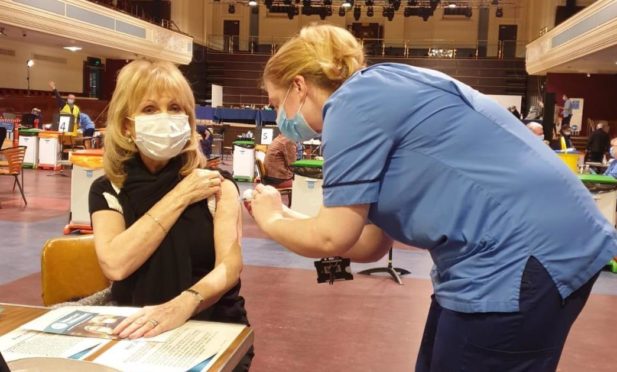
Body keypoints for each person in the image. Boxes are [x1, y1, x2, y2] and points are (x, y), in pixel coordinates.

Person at [249, 24, 617, 371]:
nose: (280, 115)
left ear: (299, 86)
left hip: (521, 256)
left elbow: (332, 238)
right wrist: (282, 213)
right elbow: (369, 244)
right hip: (533, 247)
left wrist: (270, 220)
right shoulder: (379, 94)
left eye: (276, 102)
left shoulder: (351, 104)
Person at [88, 59, 252, 369]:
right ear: (127, 125)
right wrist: (181, 194)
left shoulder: (217, 185)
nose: (165, 117)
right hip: (134, 327)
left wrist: (184, 303)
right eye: (149, 109)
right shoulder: (107, 189)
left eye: (176, 108)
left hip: (213, 326)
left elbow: (229, 267)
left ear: (189, 121)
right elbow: (116, 264)